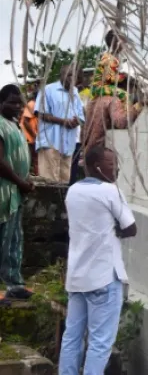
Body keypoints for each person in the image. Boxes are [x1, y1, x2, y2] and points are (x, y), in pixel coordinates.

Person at [59, 145, 136, 375]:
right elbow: (131, 228)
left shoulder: (72, 191)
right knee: (100, 343)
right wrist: (115, 229)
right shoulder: (110, 191)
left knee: (71, 337)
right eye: (112, 165)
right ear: (97, 167)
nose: (117, 169)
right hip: (103, 277)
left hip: (77, 277)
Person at [0, 85, 34, 301]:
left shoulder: (13, 124)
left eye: (19, 103)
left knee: (13, 240)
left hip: (15, 192)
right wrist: (20, 182)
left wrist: (25, 180)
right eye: (11, 102)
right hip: (5, 192)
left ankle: (14, 283)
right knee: (3, 240)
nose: (17, 107)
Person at [35, 66, 85, 183]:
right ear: (61, 75)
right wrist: (63, 121)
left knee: (64, 182)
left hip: (69, 144)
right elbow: (40, 113)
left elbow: (81, 115)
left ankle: (60, 202)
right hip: (50, 141)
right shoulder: (48, 90)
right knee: (49, 181)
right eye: (69, 75)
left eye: (75, 76)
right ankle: (48, 202)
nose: (71, 79)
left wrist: (76, 121)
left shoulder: (75, 92)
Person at [81, 74, 143, 155]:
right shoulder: (114, 100)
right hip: (101, 151)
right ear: (125, 87)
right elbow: (121, 122)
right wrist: (138, 106)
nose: (130, 95)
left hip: (88, 148)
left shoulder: (95, 99)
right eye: (131, 91)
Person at [20, 82, 39, 176]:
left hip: (33, 137)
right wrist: (34, 136)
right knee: (29, 160)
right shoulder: (32, 104)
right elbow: (25, 121)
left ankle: (36, 177)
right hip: (28, 137)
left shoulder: (39, 105)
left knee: (36, 159)